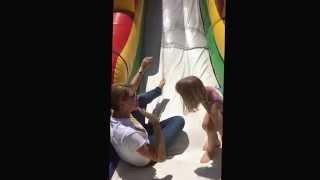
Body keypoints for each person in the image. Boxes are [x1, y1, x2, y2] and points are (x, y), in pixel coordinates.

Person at [110, 57, 185, 167]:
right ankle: (151, 129)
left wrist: (142, 68)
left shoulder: (115, 110)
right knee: (179, 120)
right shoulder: (129, 135)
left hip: (138, 135)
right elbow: (160, 157)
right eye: (132, 96)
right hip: (148, 156)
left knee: (140, 99)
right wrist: (156, 124)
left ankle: (158, 90)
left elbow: (131, 88)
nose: (135, 96)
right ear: (122, 103)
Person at [175, 76, 223, 163]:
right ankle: (215, 141)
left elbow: (219, 125)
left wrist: (219, 132)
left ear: (193, 95)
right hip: (215, 109)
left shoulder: (213, 104)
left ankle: (211, 150)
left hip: (218, 111)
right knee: (205, 125)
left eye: (185, 96)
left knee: (210, 129)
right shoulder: (203, 93)